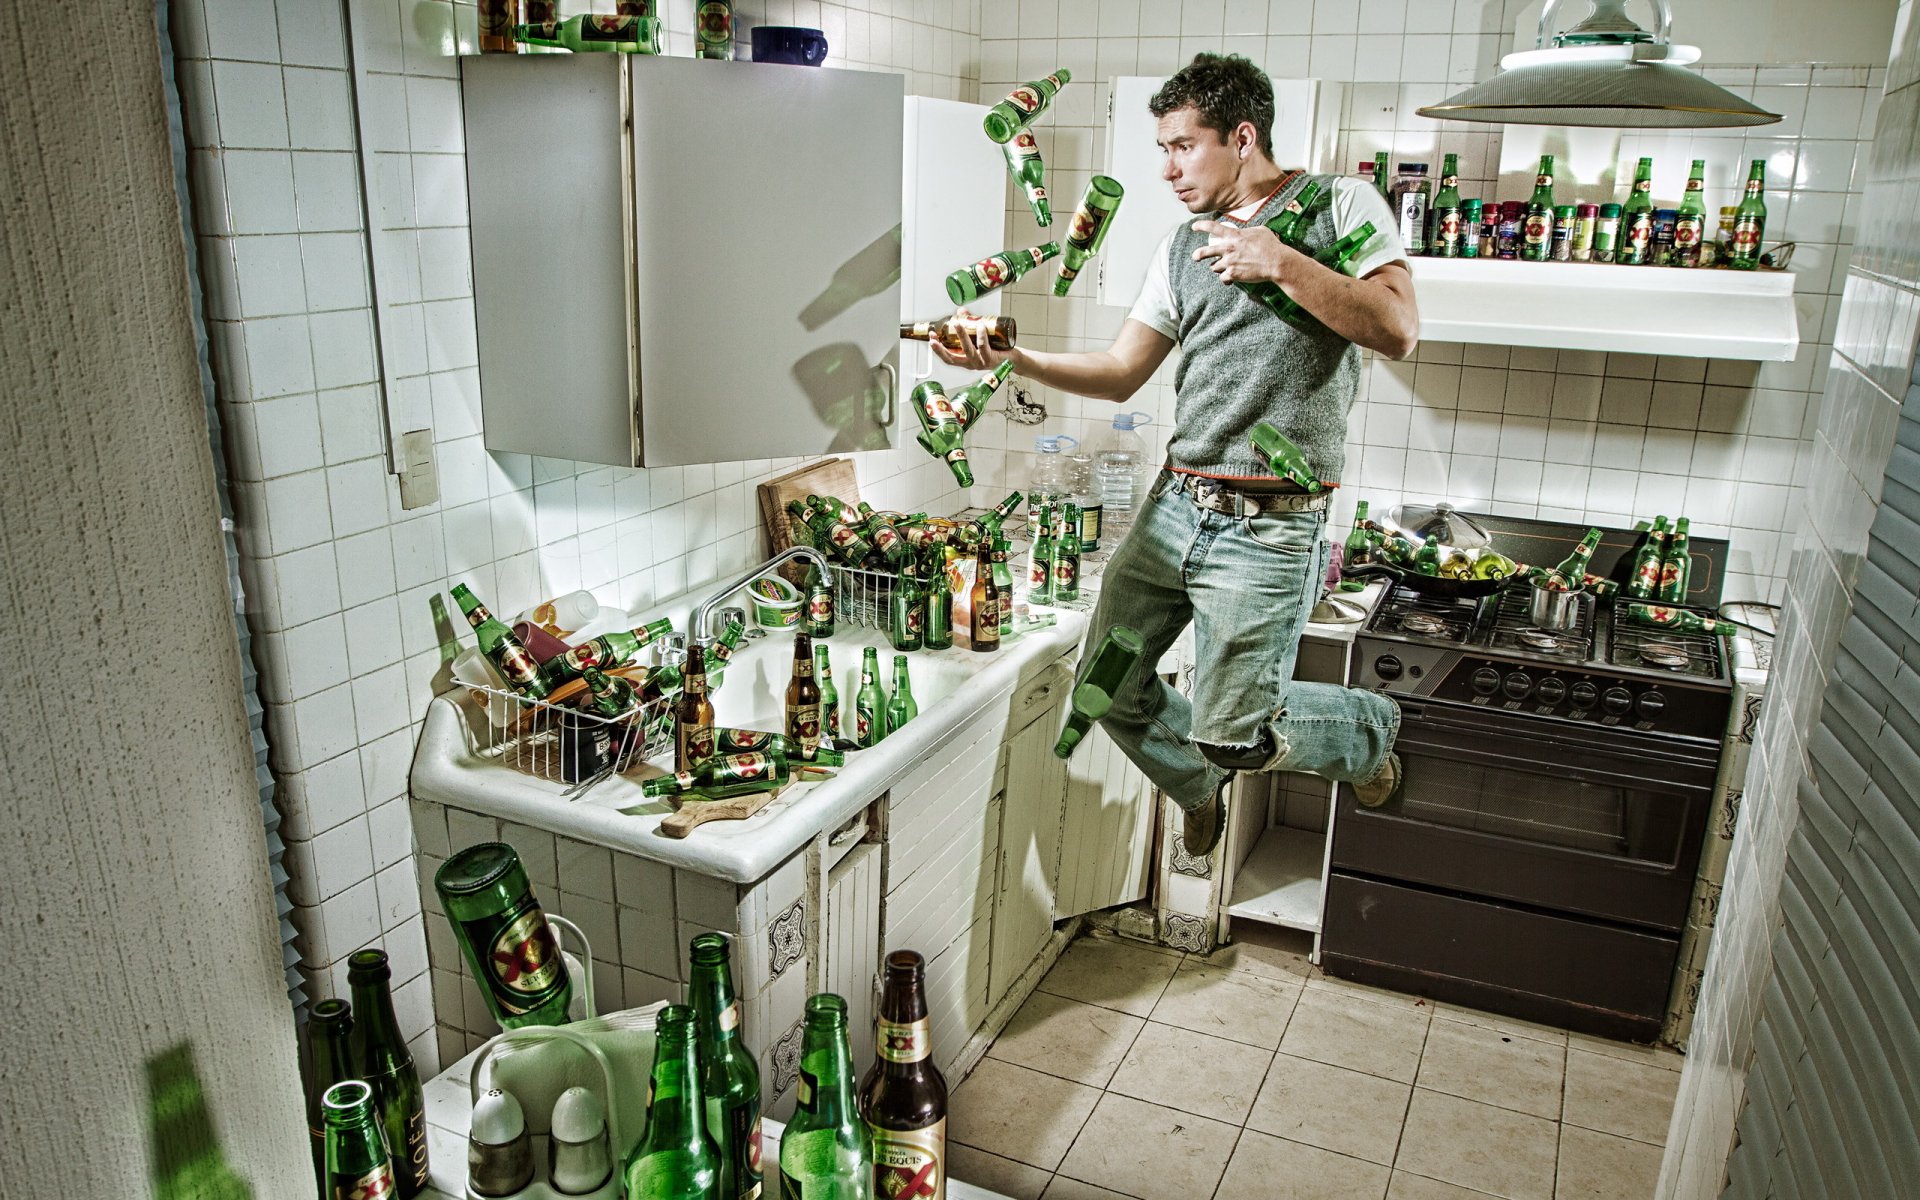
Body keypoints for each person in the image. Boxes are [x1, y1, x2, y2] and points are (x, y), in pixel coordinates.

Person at [934, 53, 1413, 856]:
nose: (1167, 169)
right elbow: (1121, 371)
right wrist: (1013, 358)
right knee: (1105, 686)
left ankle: (1366, 732)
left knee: (1236, 734)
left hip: (1269, 525)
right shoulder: (1181, 246)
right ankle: (1196, 781)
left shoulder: (1339, 206)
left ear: (1242, 138)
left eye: (1184, 146)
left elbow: (1398, 329)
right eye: (1163, 149)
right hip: (1176, 506)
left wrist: (1280, 261)